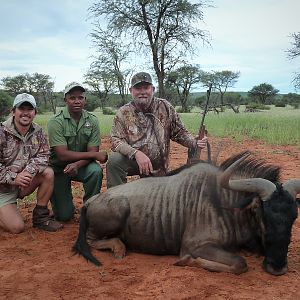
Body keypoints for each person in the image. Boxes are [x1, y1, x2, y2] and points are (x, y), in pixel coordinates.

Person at [106, 71, 208, 188]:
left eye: (146, 88)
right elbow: (115, 141)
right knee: (114, 161)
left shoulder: (165, 107)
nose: (142, 92)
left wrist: (194, 141)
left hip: (159, 167)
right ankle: (116, 200)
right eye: (138, 88)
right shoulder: (123, 112)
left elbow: (180, 132)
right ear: (131, 91)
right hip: (135, 161)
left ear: (153, 89)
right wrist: (136, 154)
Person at [0, 93, 63, 233]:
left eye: (30, 109)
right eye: (21, 109)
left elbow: (44, 155)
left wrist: (29, 170)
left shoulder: (38, 132)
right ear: (13, 111)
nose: (25, 113)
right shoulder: (2, 132)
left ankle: (40, 218)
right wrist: (14, 178)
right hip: (2, 189)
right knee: (17, 227)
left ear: (35, 112)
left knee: (47, 173)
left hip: (23, 183)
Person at [47, 82, 107, 222]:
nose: (77, 101)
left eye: (80, 97)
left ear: (85, 100)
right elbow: (62, 155)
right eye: (72, 98)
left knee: (95, 171)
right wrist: (94, 155)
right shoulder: (56, 122)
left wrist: (78, 165)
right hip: (59, 168)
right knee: (64, 216)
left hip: (83, 165)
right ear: (65, 100)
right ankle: (64, 206)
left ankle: (90, 209)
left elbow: (93, 149)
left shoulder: (92, 120)